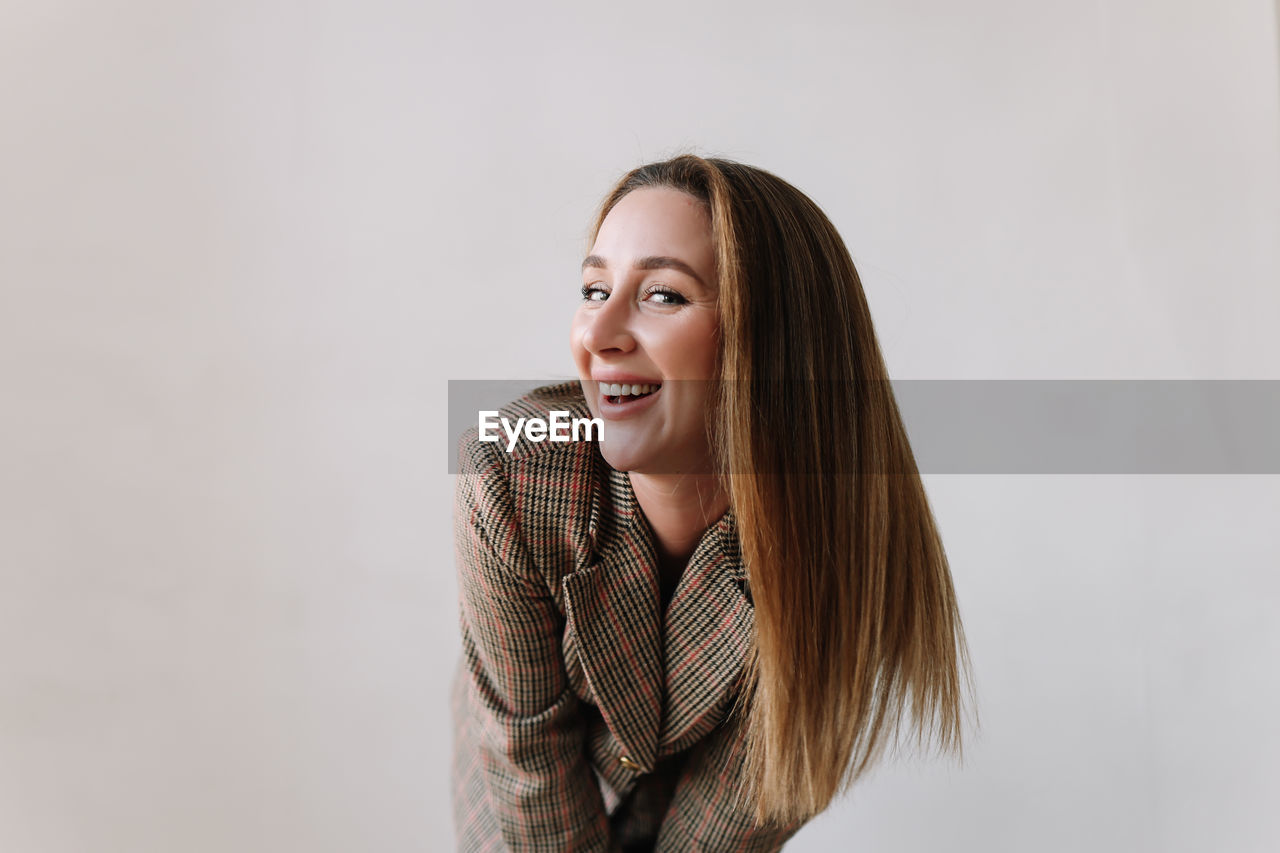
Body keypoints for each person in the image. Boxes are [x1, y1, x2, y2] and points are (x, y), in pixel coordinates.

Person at [450, 154, 976, 852]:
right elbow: (528, 760)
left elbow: (726, 829)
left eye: (663, 294)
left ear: (774, 345)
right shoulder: (509, 475)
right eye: (594, 287)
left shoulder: (848, 558)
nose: (598, 336)